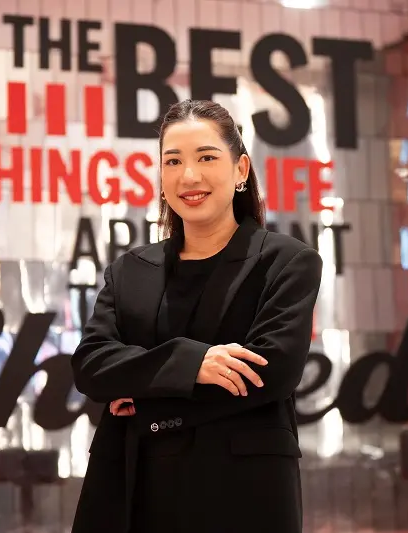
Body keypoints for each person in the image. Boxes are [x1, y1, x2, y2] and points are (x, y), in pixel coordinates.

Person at [70, 99, 323, 533]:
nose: (189, 176)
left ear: (241, 169)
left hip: (241, 492)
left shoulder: (287, 262)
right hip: (131, 488)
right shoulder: (129, 270)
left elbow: (271, 371)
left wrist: (145, 396)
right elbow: (92, 366)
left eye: (206, 157)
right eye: (173, 161)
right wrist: (194, 364)